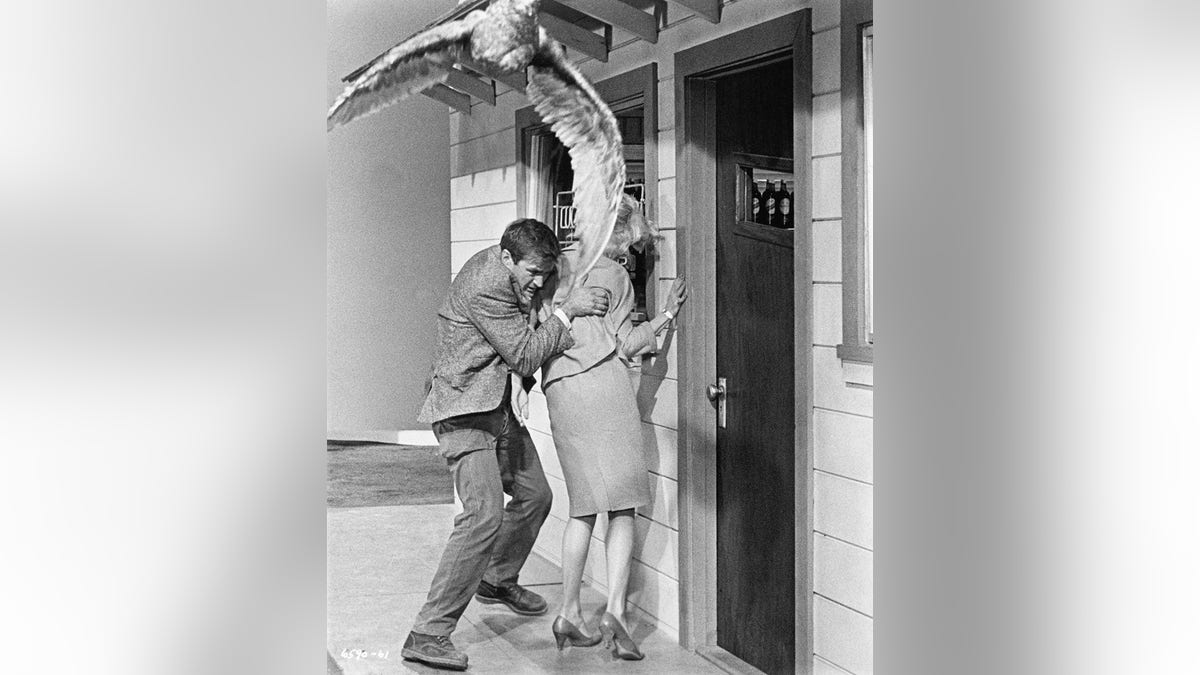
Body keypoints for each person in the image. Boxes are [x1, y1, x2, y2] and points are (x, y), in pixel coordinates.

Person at [401, 218, 611, 672]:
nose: (539, 282)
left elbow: (528, 329)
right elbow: (523, 353)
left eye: (545, 272)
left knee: (537, 495)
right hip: (461, 412)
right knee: (483, 515)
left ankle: (496, 579)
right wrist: (568, 310)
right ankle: (428, 632)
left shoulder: (520, 275)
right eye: (532, 272)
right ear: (505, 258)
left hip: (494, 408)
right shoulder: (485, 287)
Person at [539, 195, 688, 661]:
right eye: (630, 246)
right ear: (619, 237)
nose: (630, 255)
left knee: (583, 507)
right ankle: (617, 613)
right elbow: (625, 345)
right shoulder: (618, 276)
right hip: (604, 389)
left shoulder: (556, 269)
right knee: (622, 505)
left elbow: (537, 329)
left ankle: (567, 611)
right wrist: (666, 314)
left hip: (561, 392)